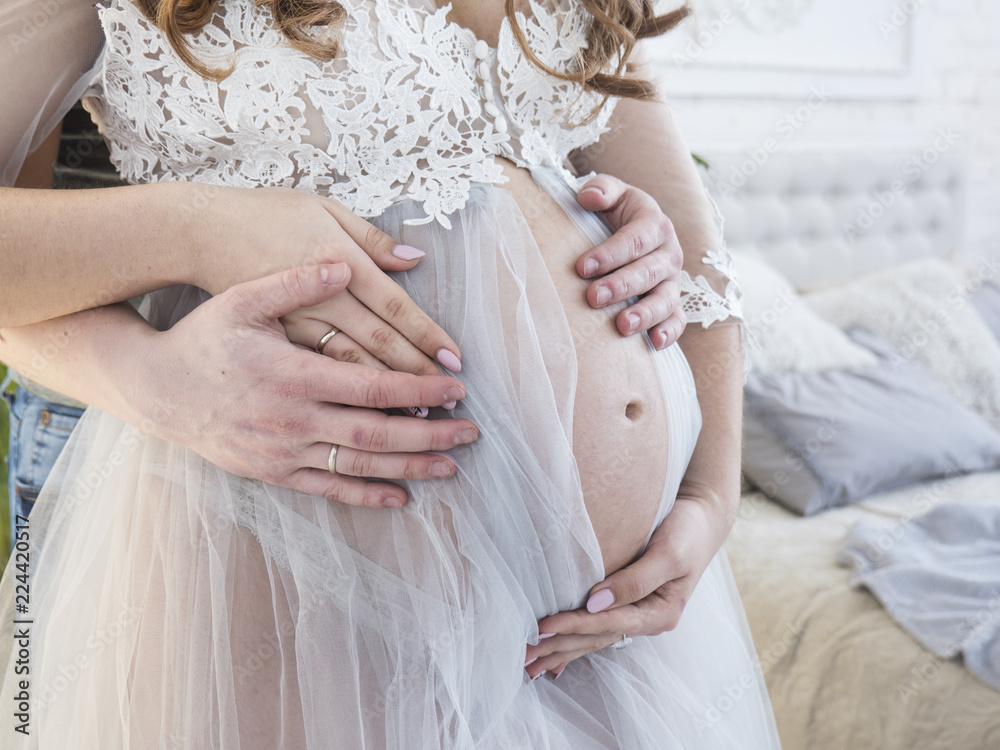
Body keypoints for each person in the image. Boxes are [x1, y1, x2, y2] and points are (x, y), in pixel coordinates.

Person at [0, 0, 779, 747]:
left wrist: (711, 500)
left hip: (605, 631)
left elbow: (700, 263)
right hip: (293, 576)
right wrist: (194, 232)